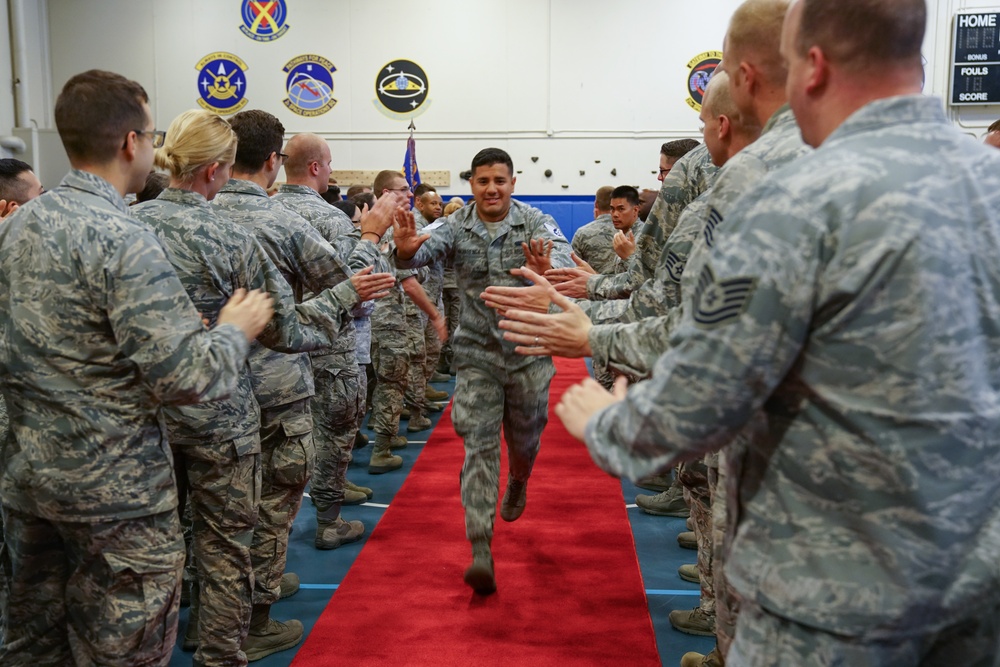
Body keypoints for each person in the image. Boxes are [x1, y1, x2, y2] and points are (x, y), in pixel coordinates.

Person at [557, 0, 1000, 663]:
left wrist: (605, 420)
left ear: (813, 67)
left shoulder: (791, 199)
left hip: (832, 605)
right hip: (976, 593)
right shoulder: (988, 185)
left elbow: (698, 402)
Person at [0, 69, 273, 666]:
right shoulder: (121, 237)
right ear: (130, 142)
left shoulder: (17, 225)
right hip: (114, 495)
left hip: (29, 481)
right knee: (124, 651)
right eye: (150, 136)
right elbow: (188, 380)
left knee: (32, 649)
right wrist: (235, 329)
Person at [213, 110, 398, 659]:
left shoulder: (199, 213)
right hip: (279, 371)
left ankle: (211, 613)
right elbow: (349, 287)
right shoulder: (289, 221)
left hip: (210, 377)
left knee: (213, 506)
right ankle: (258, 614)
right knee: (273, 496)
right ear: (274, 160)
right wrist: (369, 234)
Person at [392, 147, 572, 595]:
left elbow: (564, 261)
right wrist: (404, 252)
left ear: (513, 182)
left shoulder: (534, 222)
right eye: (482, 181)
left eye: (500, 181)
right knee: (479, 445)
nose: (491, 189)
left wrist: (547, 272)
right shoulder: (456, 224)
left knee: (525, 439)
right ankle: (480, 547)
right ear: (471, 184)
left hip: (529, 352)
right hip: (476, 356)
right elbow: (419, 252)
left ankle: (520, 479)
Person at [271, 132, 384, 548]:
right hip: (328, 344)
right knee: (334, 435)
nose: (332, 170)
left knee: (281, 449)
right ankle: (328, 521)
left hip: (275, 351)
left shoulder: (268, 209)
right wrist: (370, 238)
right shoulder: (332, 219)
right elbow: (352, 290)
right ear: (315, 167)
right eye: (330, 163)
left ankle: (273, 544)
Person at [367, 170, 445, 474]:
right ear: (386, 192)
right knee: (392, 382)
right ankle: (382, 450)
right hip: (389, 320)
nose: (409, 194)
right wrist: (436, 315)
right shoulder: (387, 229)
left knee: (381, 380)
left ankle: (385, 434)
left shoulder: (372, 226)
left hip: (375, 320)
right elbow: (409, 282)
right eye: (403, 189)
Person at [570, 186, 617, 274]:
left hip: (590, 285)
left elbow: (573, 267)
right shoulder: (628, 232)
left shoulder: (582, 233)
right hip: (622, 286)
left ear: (596, 204)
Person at [608, 185, 645, 269]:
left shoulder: (644, 236)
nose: (615, 214)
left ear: (635, 210)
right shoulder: (622, 235)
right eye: (612, 209)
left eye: (621, 209)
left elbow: (644, 277)